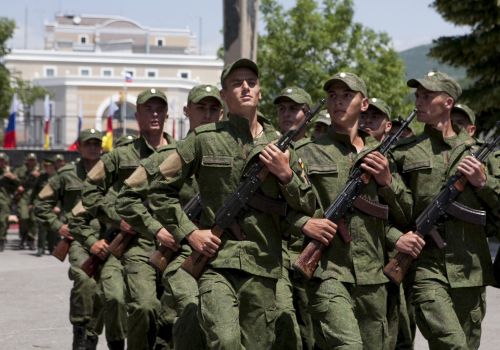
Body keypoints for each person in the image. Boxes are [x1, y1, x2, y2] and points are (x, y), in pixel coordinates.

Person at [148, 58, 315, 349]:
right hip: (216, 263)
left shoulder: (282, 145)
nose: (245, 87)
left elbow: (308, 203)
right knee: (225, 341)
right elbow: (159, 189)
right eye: (236, 83)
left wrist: (286, 174)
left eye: (251, 82)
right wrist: (190, 233)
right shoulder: (203, 139)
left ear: (260, 91)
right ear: (225, 95)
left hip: (264, 265)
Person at [294, 72, 416, 350]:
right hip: (328, 271)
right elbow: (285, 207)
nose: (339, 102)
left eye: (347, 95)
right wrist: (303, 223)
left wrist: (387, 182)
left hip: (373, 277)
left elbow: (404, 213)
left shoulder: (382, 154)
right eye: (333, 96)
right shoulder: (307, 152)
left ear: (364, 104)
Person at [390, 70, 500, 350]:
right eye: (418, 96)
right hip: (425, 269)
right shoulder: (404, 153)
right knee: (454, 346)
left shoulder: (479, 155)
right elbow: (385, 210)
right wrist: (395, 237)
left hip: (471, 271)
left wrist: (483, 182)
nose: (419, 101)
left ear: (448, 102)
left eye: (427, 96)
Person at [115, 84, 224, 349]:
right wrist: (157, 229)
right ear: (187, 111)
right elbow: (125, 198)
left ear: (221, 114)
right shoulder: (169, 156)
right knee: (165, 312)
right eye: (201, 108)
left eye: (213, 109)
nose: (207, 115)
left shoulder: (230, 156)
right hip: (173, 248)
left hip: (216, 250)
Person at [82, 89, 173, 349]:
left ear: (167, 114)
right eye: (148, 109)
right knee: (144, 308)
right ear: (137, 116)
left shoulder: (181, 152)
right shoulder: (121, 155)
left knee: (173, 317)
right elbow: (90, 190)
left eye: (159, 109)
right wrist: (116, 218)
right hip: (138, 245)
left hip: (175, 242)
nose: (155, 114)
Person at [34, 130, 106, 350]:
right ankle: (81, 332)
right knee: (84, 279)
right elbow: (40, 203)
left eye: (96, 143)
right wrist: (59, 226)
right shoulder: (66, 174)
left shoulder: (110, 172)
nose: (92, 147)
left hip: (107, 238)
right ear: (79, 147)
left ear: (101, 147)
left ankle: (92, 337)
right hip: (78, 239)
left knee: (105, 288)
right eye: (88, 144)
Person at [272, 86, 316, 350]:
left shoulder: (315, 151)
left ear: (308, 114)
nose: (287, 113)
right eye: (282, 108)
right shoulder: (269, 147)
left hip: (308, 250)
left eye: (294, 108)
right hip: (277, 250)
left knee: (310, 329)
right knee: (283, 323)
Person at [30, 158, 60, 256]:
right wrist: (31, 203)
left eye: (48, 166)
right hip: (42, 206)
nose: (46, 168)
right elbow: (34, 191)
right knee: (42, 227)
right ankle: (40, 248)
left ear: (53, 166)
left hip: (54, 206)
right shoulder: (41, 178)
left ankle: (51, 248)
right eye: (45, 166)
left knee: (53, 228)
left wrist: (59, 206)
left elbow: (63, 194)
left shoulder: (59, 177)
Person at [13, 153, 40, 250]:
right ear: (27, 160)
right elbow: (14, 181)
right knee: (23, 217)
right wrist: (18, 188)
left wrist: (38, 176)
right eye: (30, 160)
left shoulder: (39, 171)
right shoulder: (21, 171)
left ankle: (31, 239)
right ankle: (23, 236)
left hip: (35, 198)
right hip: (23, 197)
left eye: (33, 160)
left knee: (33, 220)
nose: (32, 162)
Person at [0, 152, 20, 252]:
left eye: (2, 160)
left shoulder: (10, 172)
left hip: (4, 200)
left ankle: (2, 240)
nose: (1, 162)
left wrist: (12, 177)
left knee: (3, 221)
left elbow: (19, 184)